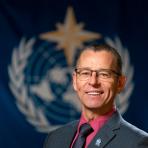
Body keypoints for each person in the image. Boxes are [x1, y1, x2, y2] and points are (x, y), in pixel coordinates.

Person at [44, 44, 148, 148]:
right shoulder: (55, 138)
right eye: (85, 73)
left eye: (104, 74)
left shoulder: (137, 142)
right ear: (75, 81)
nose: (93, 82)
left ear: (120, 83)